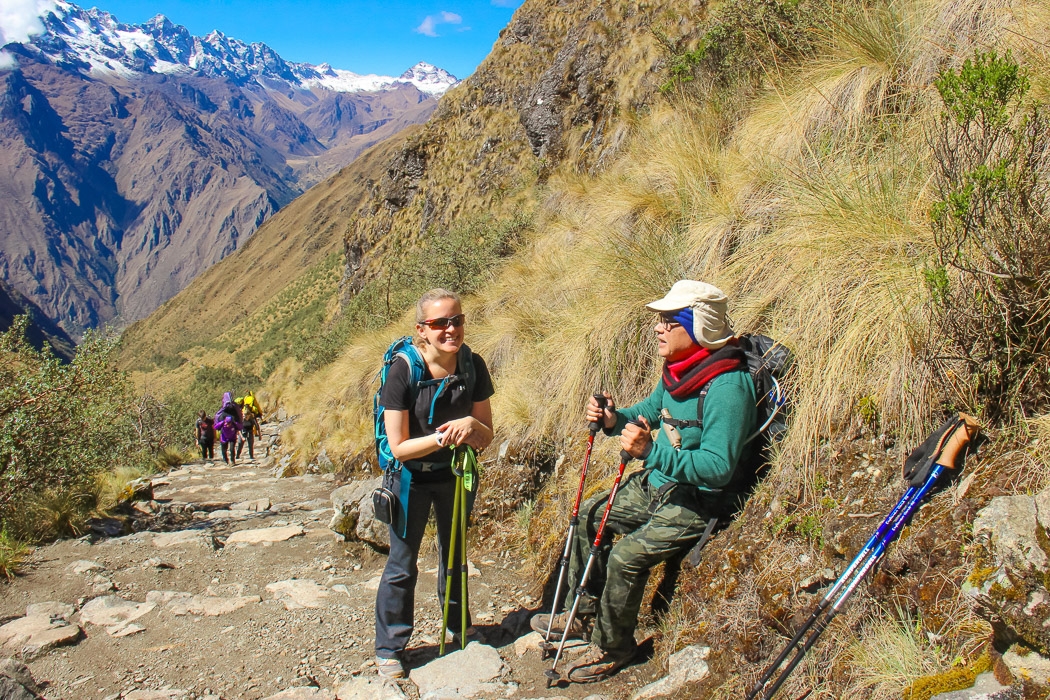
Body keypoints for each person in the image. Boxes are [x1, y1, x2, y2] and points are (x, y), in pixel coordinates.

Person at [530, 280, 757, 683]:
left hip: (700, 499)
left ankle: (613, 646)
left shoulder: (727, 386)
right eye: (660, 320)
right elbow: (650, 411)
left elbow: (718, 467)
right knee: (589, 515)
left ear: (699, 327)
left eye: (670, 320)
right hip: (660, 481)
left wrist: (652, 453)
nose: (658, 327)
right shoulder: (681, 369)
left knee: (625, 556)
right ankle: (583, 613)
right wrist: (614, 419)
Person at [374, 289, 495, 679]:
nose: (451, 329)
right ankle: (390, 647)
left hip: (455, 474)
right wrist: (446, 437)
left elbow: (486, 434)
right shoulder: (403, 371)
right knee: (402, 562)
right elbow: (399, 446)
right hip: (409, 477)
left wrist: (471, 425)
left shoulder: (472, 365)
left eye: (456, 320)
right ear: (421, 330)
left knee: (454, 554)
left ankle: (459, 626)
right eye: (440, 323)